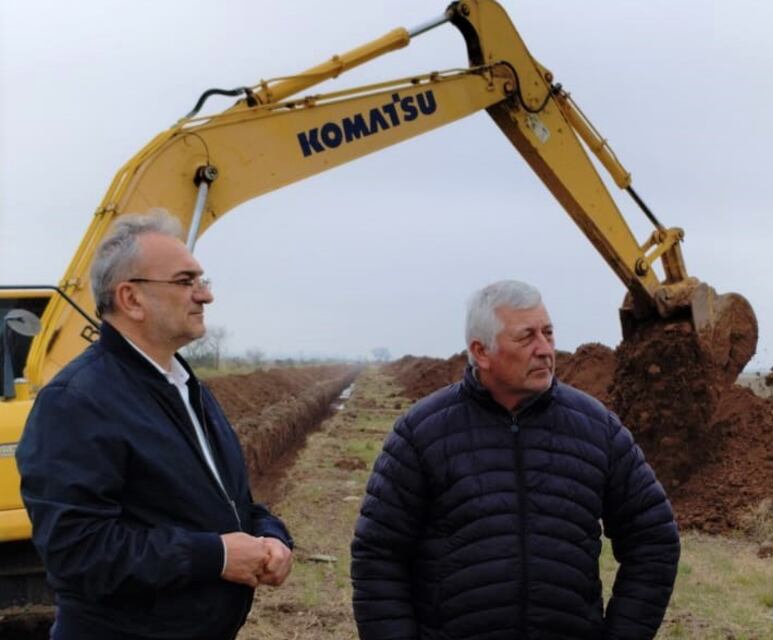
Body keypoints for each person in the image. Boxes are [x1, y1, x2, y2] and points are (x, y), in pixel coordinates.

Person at [16, 209, 293, 640]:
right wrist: (216, 556)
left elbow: (227, 503)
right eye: (186, 281)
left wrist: (269, 535)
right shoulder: (77, 401)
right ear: (131, 299)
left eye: (202, 280)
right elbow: (78, 551)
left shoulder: (185, 387)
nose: (205, 296)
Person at [351, 280, 680, 640]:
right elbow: (378, 555)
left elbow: (653, 538)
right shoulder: (421, 434)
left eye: (548, 333)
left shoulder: (597, 429)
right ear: (481, 352)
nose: (545, 349)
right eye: (526, 337)